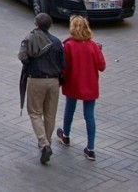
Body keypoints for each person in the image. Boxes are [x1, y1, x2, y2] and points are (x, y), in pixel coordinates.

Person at [19, 12, 66, 165]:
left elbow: (22, 57)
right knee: (50, 114)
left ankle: (44, 144)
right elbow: (63, 64)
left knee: (35, 113)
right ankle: (47, 142)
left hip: (36, 80)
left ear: (36, 24)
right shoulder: (57, 42)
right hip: (53, 82)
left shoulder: (30, 38)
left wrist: (30, 65)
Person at [58, 15, 106, 161]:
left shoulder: (69, 45)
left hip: (73, 83)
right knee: (89, 115)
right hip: (90, 85)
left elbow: (64, 67)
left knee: (69, 109)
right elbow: (102, 66)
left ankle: (66, 135)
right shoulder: (93, 45)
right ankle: (90, 149)